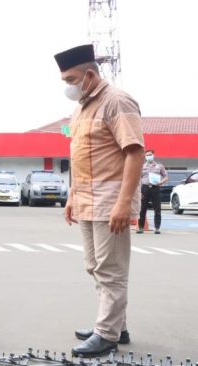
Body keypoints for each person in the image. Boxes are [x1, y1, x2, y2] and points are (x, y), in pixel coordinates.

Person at [54, 44, 144, 357]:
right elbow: (78, 157)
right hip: (86, 199)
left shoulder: (117, 101)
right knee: (94, 266)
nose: (68, 86)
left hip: (110, 199)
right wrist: (71, 197)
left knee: (111, 270)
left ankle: (106, 335)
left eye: (71, 79)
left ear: (89, 74)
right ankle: (116, 325)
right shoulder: (80, 108)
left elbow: (135, 152)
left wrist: (123, 203)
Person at [137, 149, 168, 234]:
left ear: (153, 155)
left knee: (157, 209)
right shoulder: (142, 166)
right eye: (147, 155)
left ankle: (157, 228)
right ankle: (140, 228)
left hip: (155, 188)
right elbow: (138, 179)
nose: (148, 156)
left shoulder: (159, 166)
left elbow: (166, 176)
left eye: (150, 155)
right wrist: (139, 191)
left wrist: (161, 182)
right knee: (142, 209)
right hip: (145, 188)